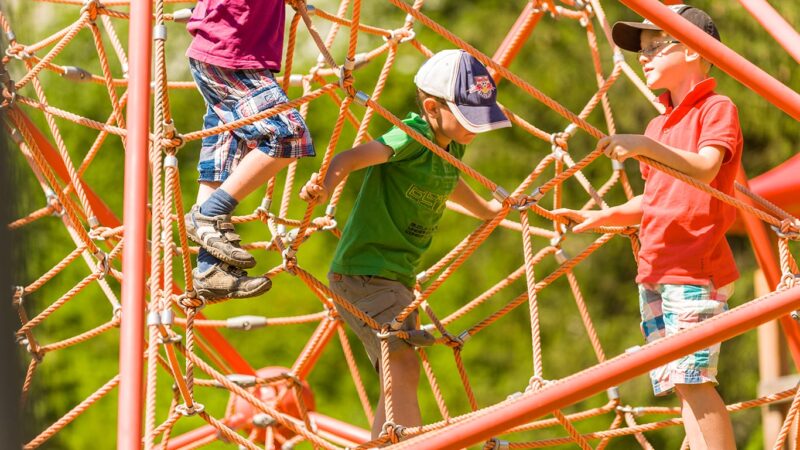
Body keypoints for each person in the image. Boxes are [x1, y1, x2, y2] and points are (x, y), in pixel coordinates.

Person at [555, 5, 741, 449]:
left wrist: (643, 146)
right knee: (681, 384)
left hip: (694, 267)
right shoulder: (660, 122)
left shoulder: (715, 109)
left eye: (657, 46)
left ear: (694, 50)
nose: (645, 56)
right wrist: (604, 216)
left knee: (694, 380)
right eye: (643, 49)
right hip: (655, 269)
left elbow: (703, 169)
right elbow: (655, 199)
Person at [300, 49, 511, 438]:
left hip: (394, 279)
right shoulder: (412, 135)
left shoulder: (452, 147)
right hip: (365, 273)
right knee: (402, 364)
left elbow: (450, 180)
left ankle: (389, 441)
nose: (475, 129)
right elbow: (347, 158)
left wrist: (486, 210)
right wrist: (323, 185)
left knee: (400, 370)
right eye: (469, 119)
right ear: (431, 107)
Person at [183, 0, 315, 301]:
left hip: (238, 51)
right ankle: (207, 215)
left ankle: (210, 269)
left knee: (224, 156)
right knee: (288, 134)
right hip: (228, 52)